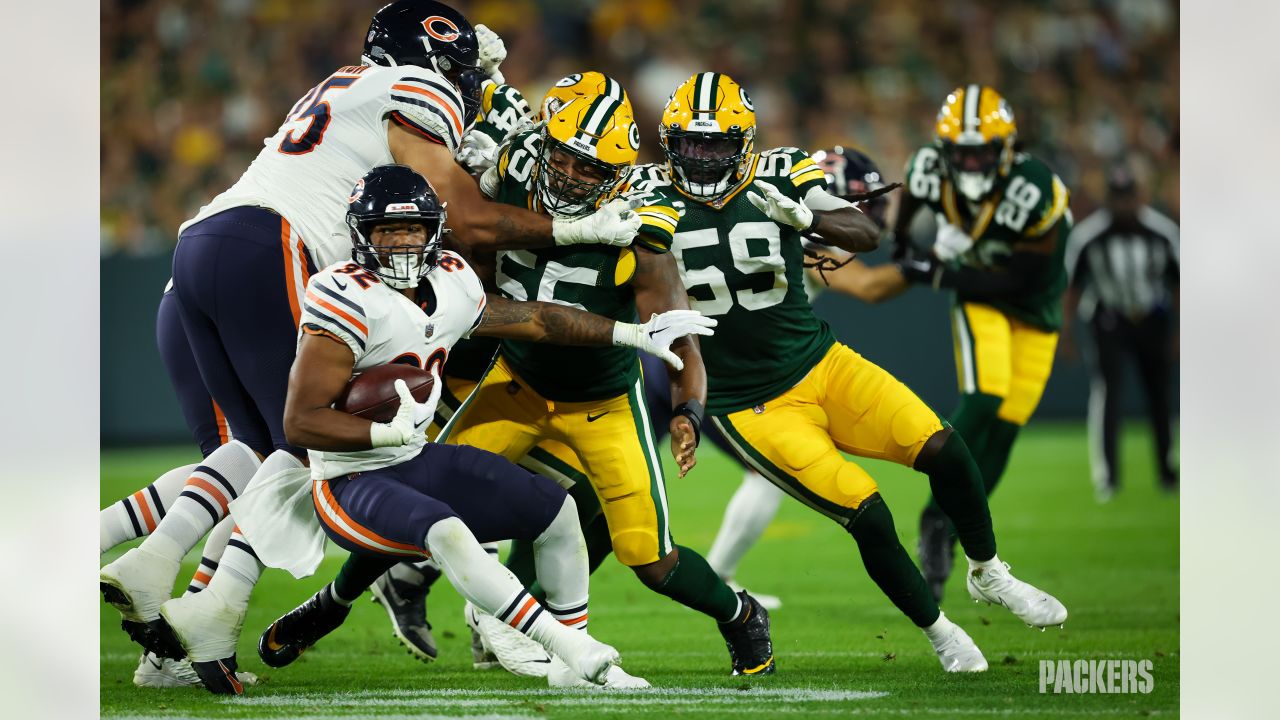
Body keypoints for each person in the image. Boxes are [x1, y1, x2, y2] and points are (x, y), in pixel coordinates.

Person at [98, 0, 644, 695]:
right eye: (463, 71)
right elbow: (469, 221)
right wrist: (577, 231)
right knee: (302, 449)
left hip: (199, 251)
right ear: (439, 59)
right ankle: (199, 597)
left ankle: (156, 606)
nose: (467, 84)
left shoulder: (347, 84)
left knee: (245, 459)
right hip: (276, 244)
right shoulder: (420, 89)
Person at [626, 72, 1068, 673]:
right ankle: (940, 633)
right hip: (748, 404)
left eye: (718, 145)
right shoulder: (640, 192)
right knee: (868, 512)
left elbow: (865, 231)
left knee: (945, 447)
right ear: (668, 141)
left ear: (746, 141)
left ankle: (989, 570)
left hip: (822, 363)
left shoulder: (780, 171)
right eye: (691, 144)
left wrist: (808, 216)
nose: (703, 159)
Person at [250, 164, 702, 691]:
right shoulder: (344, 294)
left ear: (433, 231)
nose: (400, 243)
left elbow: (534, 318)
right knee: (448, 532)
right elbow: (300, 422)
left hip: (412, 457)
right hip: (349, 479)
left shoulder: (451, 280)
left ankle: (566, 667)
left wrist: (631, 333)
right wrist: (383, 435)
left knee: (558, 511)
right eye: (386, 231)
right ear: (360, 235)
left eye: (412, 229)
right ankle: (574, 650)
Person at [830, 85, 1075, 602]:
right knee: (986, 399)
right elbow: (907, 225)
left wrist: (943, 274)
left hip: (1034, 307)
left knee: (1006, 430)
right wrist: (914, 254)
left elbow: (1025, 277)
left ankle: (957, 527)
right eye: (959, 151)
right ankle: (936, 521)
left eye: (979, 151)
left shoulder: (1034, 187)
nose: (968, 161)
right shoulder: (927, 169)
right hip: (981, 299)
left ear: (1005, 148)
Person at [1062, 165, 1179, 501]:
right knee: (1107, 394)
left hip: (1154, 318)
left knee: (1160, 396)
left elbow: (1179, 284)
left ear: (1139, 196)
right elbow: (1071, 288)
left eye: (1128, 197)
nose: (1124, 205)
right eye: (1118, 198)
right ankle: (1107, 476)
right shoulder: (1089, 236)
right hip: (1109, 320)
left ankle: (1167, 470)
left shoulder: (1162, 232)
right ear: (1109, 198)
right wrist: (1066, 332)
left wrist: (1180, 333)